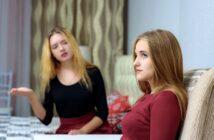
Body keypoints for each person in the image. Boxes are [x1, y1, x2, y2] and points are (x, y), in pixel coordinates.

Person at [9, 26, 112, 134]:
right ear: (51, 53)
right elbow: (46, 119)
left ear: (72, 43)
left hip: (93, 130)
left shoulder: (93, 72)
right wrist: (30, 95)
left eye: (64, 43)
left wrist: (82, 131)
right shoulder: (51, 78)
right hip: (66, 132)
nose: (61, 48)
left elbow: (103, 112)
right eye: (55, 47)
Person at [120, 29, 188, 140]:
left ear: (162, 59)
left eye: (144, 55)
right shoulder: (149, 94)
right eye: (136, 55)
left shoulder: (166, 99)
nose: (135, 62)